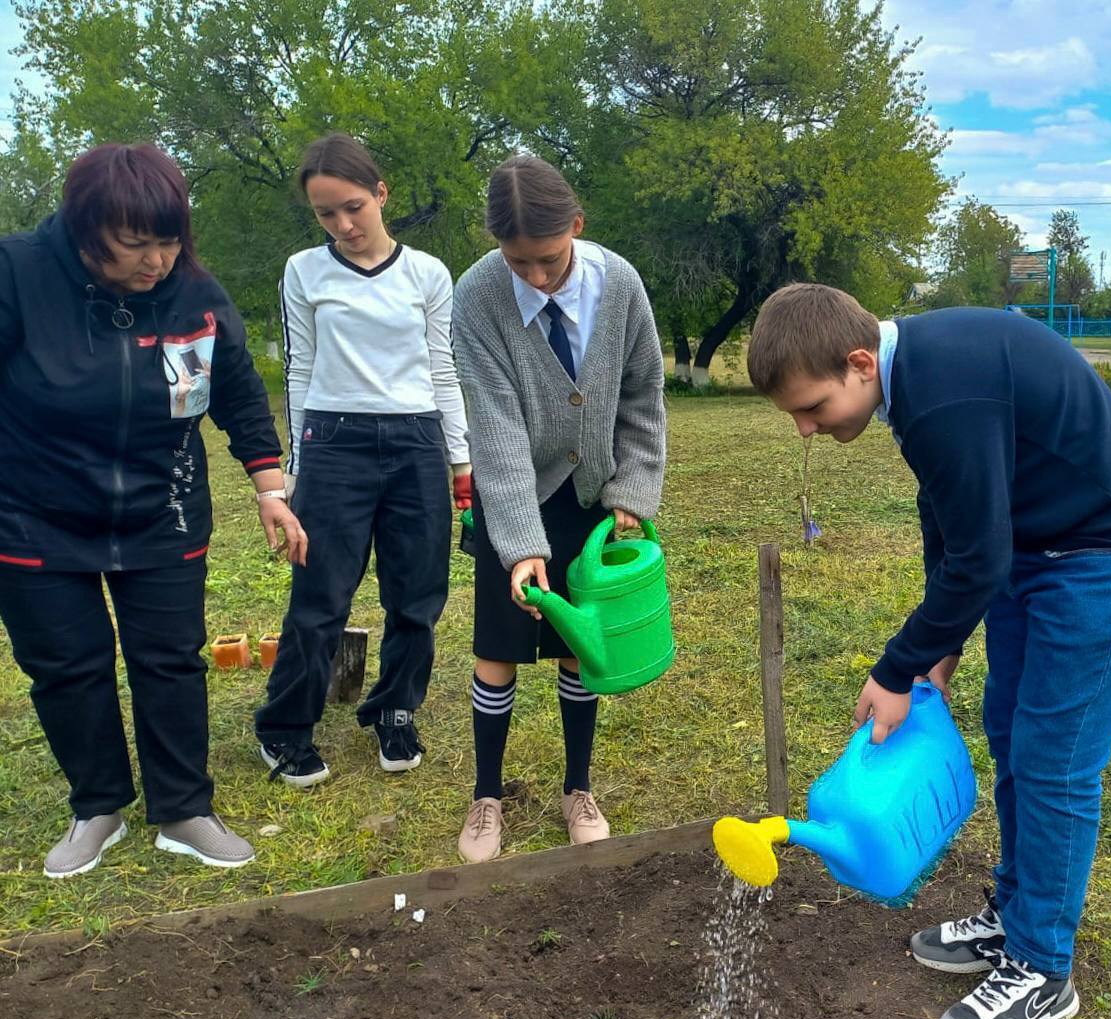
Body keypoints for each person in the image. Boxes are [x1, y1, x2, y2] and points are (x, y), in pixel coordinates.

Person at [746, 285, 1111, 1019]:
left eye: (811, 407)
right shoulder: (913, 375)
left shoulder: (938, 388)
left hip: (1110, 553)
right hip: (1036, 545)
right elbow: (948, 516)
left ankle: (1043, 968)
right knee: (1010, 731)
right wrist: (940, 648)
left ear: (857, 362)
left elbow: (976, 553)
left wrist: (896, 670)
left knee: (1053, 761)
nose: (805, 428)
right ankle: (1018, 916)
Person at [0, 143, 306, 877]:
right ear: (83, 229)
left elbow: (233, 391)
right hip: (33, 514)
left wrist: (269, 486)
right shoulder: (17, 272)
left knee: (170, 660)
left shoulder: (193, 292)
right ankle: (97, 806)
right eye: (136, 245)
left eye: (169, 241)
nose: (157, 262)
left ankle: (183, 808)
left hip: (160, 509)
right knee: (66, 666)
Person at [452, 155, 666, 863]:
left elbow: (641, 397)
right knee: (499, 649)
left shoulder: (621, 285)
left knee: (583, 647)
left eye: (547, 260)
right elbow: (495, 428)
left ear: (575, 226)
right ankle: (487, 796)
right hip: (514, 495)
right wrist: (519, 544)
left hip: (593, 496)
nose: (536, 277)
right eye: (519, 263)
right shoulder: (477, 297)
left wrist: (633, 490)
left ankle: (578, 786)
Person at [254, 133, 471, 787]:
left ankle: (394, 710)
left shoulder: (428, 274)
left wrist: (459, 458)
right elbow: (299, 367)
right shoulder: (303, 271)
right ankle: (285, 728)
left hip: (416, 444)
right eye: (325, 214)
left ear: (381, 194)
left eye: (353, 206)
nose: (343, 225)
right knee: (320, 597)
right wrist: (292, 470)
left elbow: (441, 368)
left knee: (417, 595)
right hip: (333, 444)